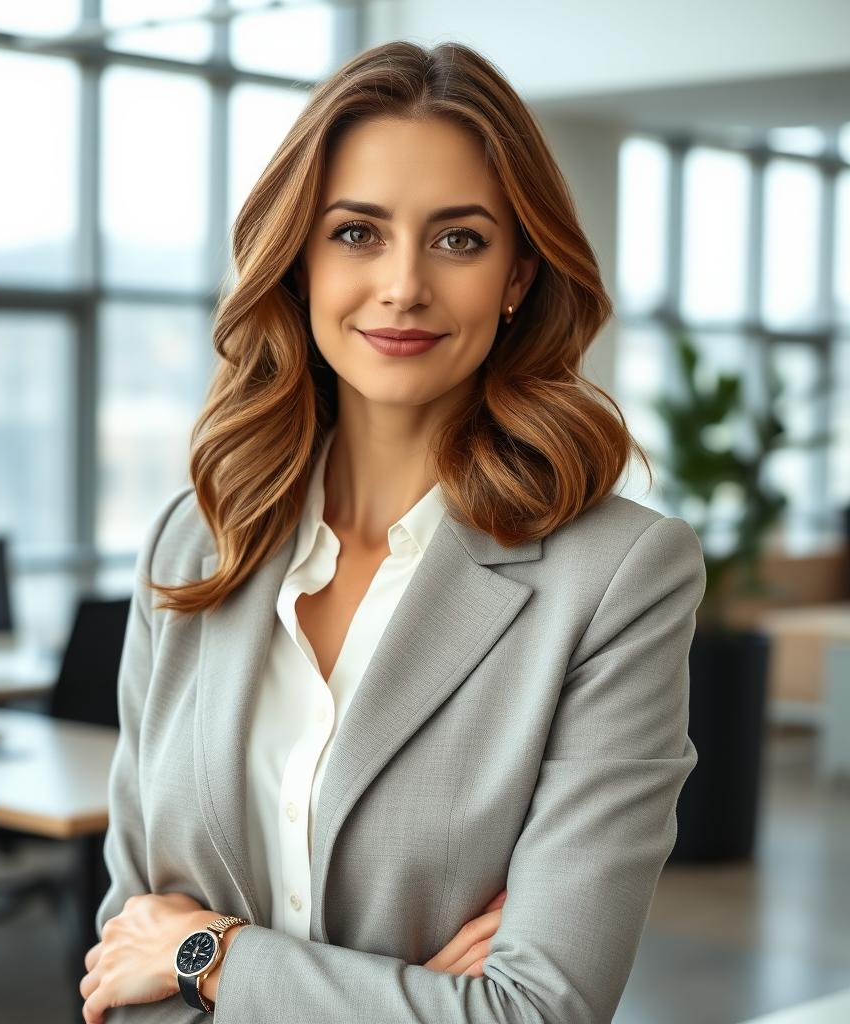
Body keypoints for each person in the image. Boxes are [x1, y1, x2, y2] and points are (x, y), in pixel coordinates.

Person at [78, 38, 705, 1024]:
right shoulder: (193, 543)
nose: (403, 285)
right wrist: (409, 996)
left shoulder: (619, 576)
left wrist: (210, 954)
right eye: (356, 232)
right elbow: (123, 951)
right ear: (297, 260)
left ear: (516, 276)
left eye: (458, 239)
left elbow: (531, 1011)